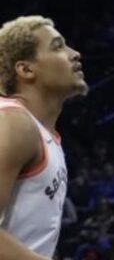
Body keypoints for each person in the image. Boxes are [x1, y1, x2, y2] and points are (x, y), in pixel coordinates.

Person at [0, 16, 86, 260]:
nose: (75, 53)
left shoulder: (41, 133)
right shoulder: (13, 123)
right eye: (58, 46)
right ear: (26, 69)